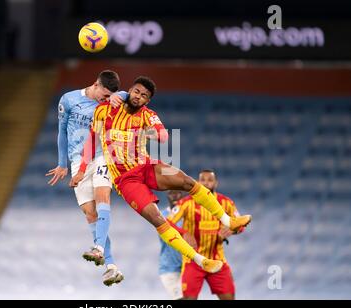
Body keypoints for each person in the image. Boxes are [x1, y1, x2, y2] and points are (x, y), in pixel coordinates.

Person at [70, 76, 252, 275]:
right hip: (126, 180)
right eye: (137, 92)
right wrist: (81, 172)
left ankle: (228, 221)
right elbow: (92, 141)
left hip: (146, 166)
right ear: (130, 90)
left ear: (148, 101)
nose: (139, 97)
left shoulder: (148, 115)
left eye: (144, 96)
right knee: (157, 218)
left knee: (186, 181)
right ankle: (200, 260)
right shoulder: (104, 110)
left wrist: (154, 134)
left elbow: (164, 135)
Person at [45, 70, 126, 286]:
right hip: (76, 161)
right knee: (90, 214)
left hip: (101, 156)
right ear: (96, 84)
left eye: (111, 97)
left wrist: (122, 96)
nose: (107, 100)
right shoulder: (69, 99)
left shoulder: (110, 102)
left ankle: (98, 248)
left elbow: (129, 94)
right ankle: (111, 267)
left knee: (102, 200)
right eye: (105, 95)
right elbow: (62, 132)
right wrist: (63, 164)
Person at [169, 169, 246, 300]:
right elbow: (167, 223)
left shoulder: (226, 203)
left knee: (229, 298)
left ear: (216, 183)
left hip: (218, 261)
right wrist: (184, 233)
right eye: (203, 180)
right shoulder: (186, 203)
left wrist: (233, 230)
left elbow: (241, 225)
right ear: (198, 182)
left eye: (210, 180)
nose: (206, 183)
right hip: (193, 262)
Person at [158, 190, 195, 299]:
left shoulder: (190, 214)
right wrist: (185, 233)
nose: (174, 196)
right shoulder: (161, 216)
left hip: (188, 266)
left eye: (177, 192)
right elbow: (169, 235)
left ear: (183, 194)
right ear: (167, 195)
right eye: (171, 193)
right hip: (170, 267)